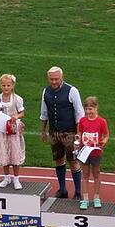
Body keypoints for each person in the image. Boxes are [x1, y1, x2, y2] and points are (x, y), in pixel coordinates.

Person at [39, 67, 85, 199]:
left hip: (70, 132)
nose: (54, 82)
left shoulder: (72, 91)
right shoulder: (45, 91)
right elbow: (44, 112)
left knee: (74, 161)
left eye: (56, 79)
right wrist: (43, 131)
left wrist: (78, 133)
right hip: (54, 132)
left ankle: (77, 192)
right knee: (58, 159)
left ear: (62, 77)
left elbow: (79, 114)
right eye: (51, 79)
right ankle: (62, 190)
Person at [0, 74, 26, 191]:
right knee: (4, 153)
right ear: (0, 85)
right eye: (3, 85)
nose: (6, 87)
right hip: (2, 129)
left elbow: (22, 113)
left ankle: (16, 178)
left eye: (8, 85)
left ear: (12, 86)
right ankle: (6, 177)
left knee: (15, 154)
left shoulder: (17, 99)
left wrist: (15, 116)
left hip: (13, 129)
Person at [77, 96, 109, 209]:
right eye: (86, 109)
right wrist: (77, 144)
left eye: (90, 109)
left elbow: (106, 135)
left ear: (96, 108)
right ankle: (85, 199)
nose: (88, 111)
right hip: (84, 152)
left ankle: (96, 197)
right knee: (85, 175)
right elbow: (79, 134)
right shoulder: (82, 121)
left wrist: (103, 142)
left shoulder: (101, 121)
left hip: (96, 153)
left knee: (96, 174)